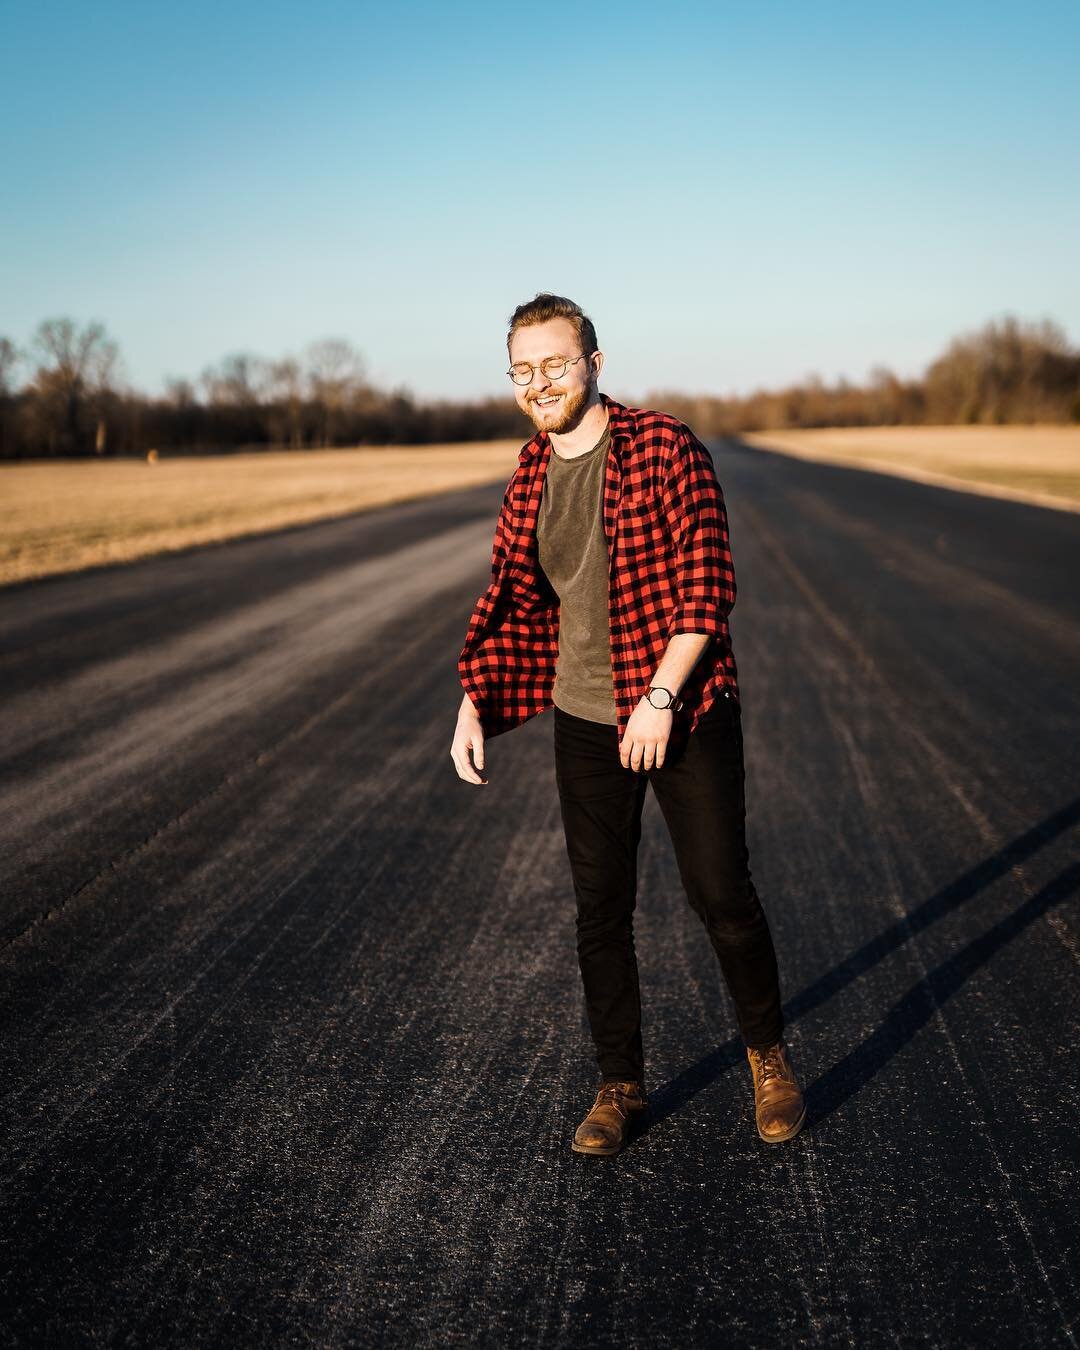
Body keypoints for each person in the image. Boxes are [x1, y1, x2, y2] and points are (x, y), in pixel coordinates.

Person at [450, 293, 805, 1156]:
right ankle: (621, 1084)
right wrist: (475, 701)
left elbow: (707, 583)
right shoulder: (530, 474)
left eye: (556, 364)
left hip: (683, 712)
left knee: (722, 896)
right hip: (584, 720)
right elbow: (514, 600)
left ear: (594, 364)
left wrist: (660, 698)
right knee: (599, 910)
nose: (540, 383)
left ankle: (768, 1057)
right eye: (524, 370)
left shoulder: (664, 446)